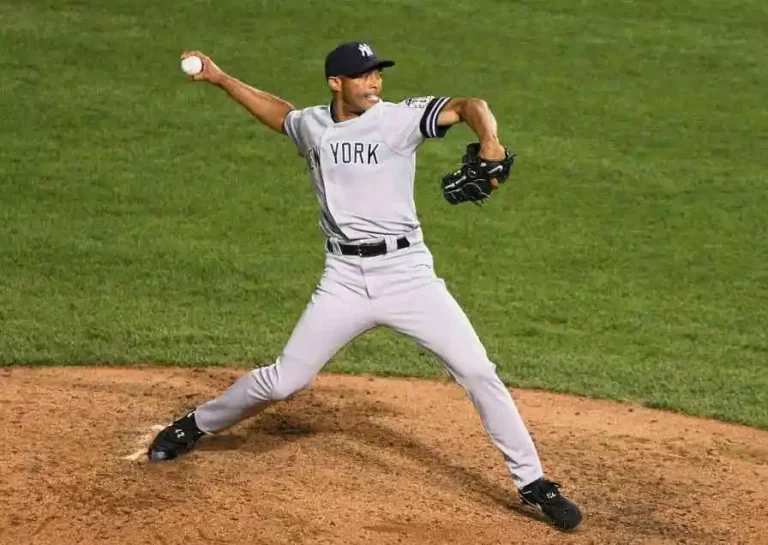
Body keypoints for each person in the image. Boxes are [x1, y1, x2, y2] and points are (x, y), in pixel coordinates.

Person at [148, 41, 582, 532]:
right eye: (363, 76)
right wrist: (222, 78)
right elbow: (284, 117)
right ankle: (195, 424)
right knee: (284, 380)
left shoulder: (399, 119)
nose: (375, 83)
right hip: (344, 281)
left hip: (408, 275)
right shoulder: (313, 125)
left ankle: (535, 483)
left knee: (478, 371)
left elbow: (469, 107)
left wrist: (491, 144)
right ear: (337, 83)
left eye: (378, 74)